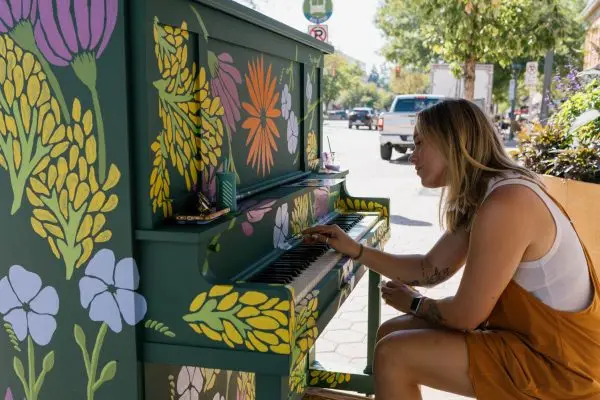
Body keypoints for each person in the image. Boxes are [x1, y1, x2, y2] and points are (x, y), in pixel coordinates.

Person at [303, 99, 600, 399]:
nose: (411, 156)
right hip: (528, 341)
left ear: (452, 142)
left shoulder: (506, 204)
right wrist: (357, 250)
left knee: (395, 354)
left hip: (563, 368)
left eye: (420, 143)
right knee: (390, 333)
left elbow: (465, 316)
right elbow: (429, 268)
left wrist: (415, 303)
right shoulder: (488, 194)